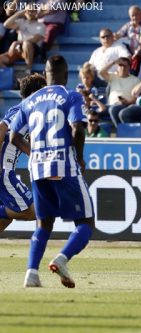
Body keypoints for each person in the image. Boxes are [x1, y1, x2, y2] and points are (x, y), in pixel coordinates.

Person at [10, 55, 95, 288]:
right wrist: (79, 157)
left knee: (43, 224)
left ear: (45, 74)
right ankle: (62, 258)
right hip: (63, 164)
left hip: (37, 168)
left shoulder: (29, 101)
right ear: (66, 75)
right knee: (86, 222)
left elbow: (13, 136)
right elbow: (78, 128)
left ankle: (31, 272)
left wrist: (35, 152)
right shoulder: (70, 96)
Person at [0, 73, 41, 235]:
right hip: (4, 170)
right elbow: (1, 129)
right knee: (32, 211)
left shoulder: (29, 113)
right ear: (34, 94)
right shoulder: (22, 109)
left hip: (7, 168)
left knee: (5, 219)